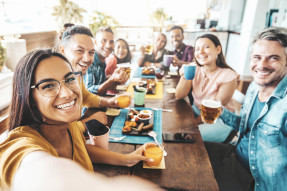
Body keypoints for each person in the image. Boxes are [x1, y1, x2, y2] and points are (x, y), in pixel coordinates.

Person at [0, 49, 160, 190]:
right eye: (48, 85)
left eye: (70, 79)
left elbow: (81, 149)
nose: (68, 93)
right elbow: (39, 172)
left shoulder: (67, 125)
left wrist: (127, 159)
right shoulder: (19, 145)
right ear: (28, 98)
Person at [204, 27, 287, 191]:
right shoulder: (255, 87)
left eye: (273, 58)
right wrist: (222, 112)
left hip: (255, 180)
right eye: (257, 57)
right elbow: (246, 126)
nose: (262, 65)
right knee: (189, 150)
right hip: (235, 154)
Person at [58, 25, 128, 131]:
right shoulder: (54, 82)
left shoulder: (77, 73)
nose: (87, 59)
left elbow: (85, 97)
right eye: (79, 50)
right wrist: (86, 123)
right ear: (62, 50)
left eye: (91, 52)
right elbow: (58, 132)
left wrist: (109, 102)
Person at [175, 34, 238, 143]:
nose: (201, 52)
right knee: (174, 127)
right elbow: (179, 95)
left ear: (218, 49)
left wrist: (191, 125)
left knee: (189, 136)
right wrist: (184, 76)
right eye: (197, 49)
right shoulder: (194, 68)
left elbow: (212, 112)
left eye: (206, 47)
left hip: (219, 119)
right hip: (197, 112)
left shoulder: (228, 76)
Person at [84, 26, 129, 95]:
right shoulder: (89, 61)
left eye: (111, 42)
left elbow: (100, 82)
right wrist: (111, 80)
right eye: (103, 41)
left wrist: (116, 79)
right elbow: (88, 92)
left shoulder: (103, 61)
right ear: (95, 42)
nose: (108, 46)